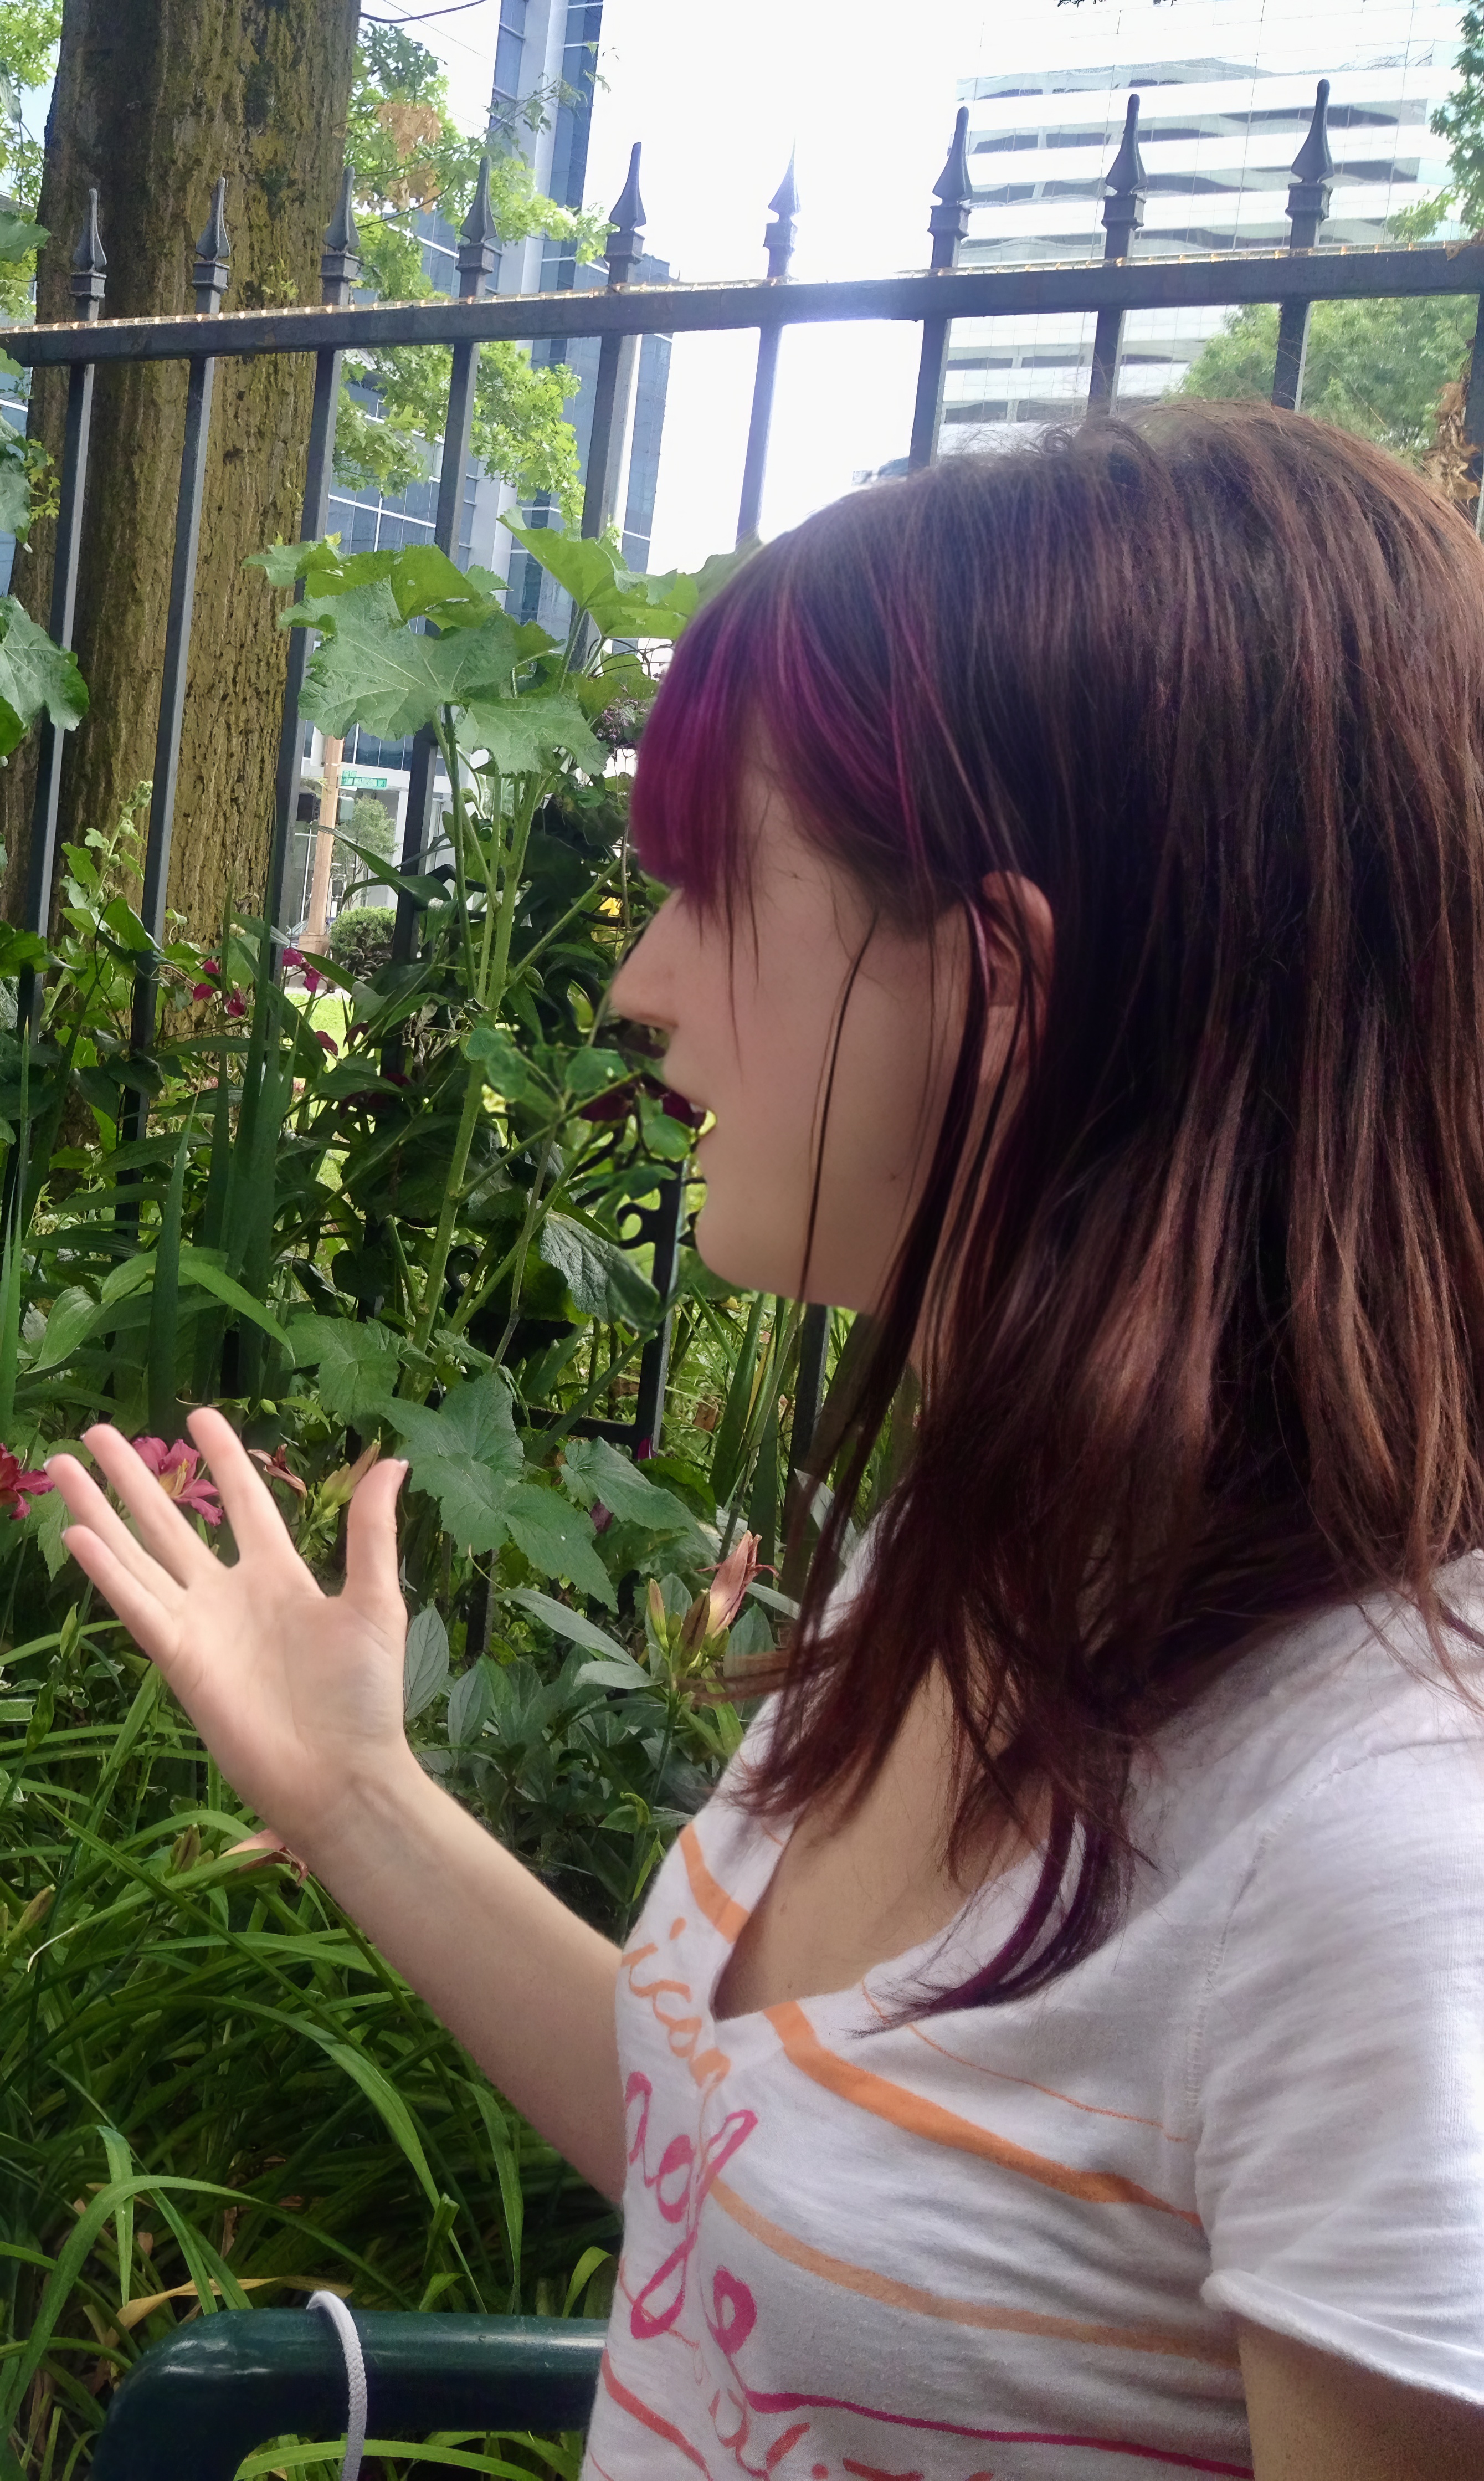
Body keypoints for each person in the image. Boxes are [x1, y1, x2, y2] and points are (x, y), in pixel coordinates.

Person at [47, 403, 1484, 2479]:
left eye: (722, 889)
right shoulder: (991, 1550)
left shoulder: (1382, 1864)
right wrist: (359, 1795)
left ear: (995, 985)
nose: (640, 982)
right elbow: (741, 2178)